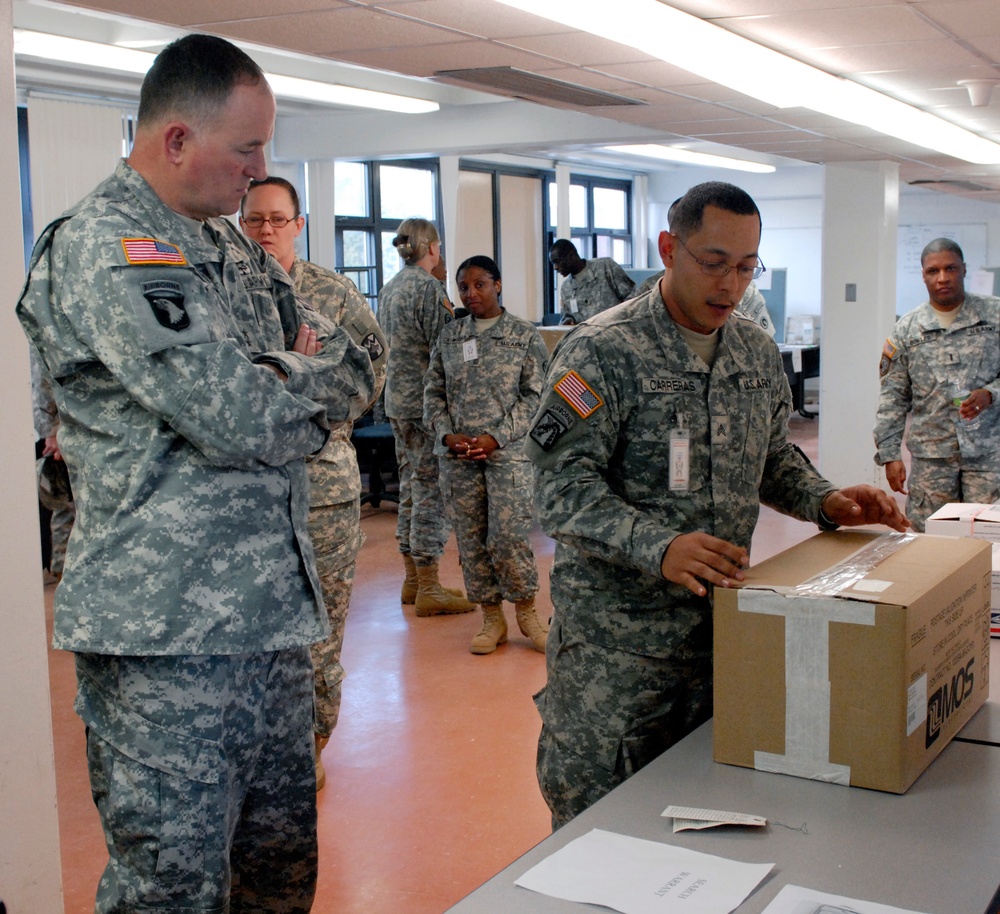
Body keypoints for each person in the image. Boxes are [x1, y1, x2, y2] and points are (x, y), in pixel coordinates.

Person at [17, 34, 379, 912]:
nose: (262, 171)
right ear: (177, 140)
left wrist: (275, 371)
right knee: (171, 893)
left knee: (281, 875)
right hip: (165, 643)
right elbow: (236, 414)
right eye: (247, 149)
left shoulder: (229, 247)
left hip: (271, 624)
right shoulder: (110, 247)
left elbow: (360, 362)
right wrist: (285, 376)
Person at [526, 181, 910, 829]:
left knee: (707, 826)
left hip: (723, 642)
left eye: (745, 267)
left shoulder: (754, 351)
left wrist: (829, 501)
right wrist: (660, 547)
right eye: (713, 262)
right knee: (599, 834)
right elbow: (557, 488)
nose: (730, 285)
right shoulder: (601, 351)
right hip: (618, 658)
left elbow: (771, 460)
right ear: (669, 249)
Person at [240, 176, 387, 791]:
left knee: (321, 624)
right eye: (254, 221)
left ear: (300, 225)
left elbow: (370, 374)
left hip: (321, 481)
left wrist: (305, 394)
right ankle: (258, 747)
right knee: (254, 628)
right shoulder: (224, 293)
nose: (266, 230)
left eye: (278, 219)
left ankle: (313, 739)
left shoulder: (333, 294)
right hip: (247, 489)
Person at [423, 255, 550, 654]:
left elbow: (536, 397)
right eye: (463, 286)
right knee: (473, 540)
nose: (470, 293)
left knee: (508, 537)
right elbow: (433, 393)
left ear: (497, 284)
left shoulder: (524, 336)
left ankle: (527, 613)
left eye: (479, 284)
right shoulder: (450, 337)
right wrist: (446, 436)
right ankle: (491, 618)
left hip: (507, 457)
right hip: (459, 459)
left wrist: (497, 436)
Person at [378, 217, 474, 616]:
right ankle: (430, 584)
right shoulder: (429, 290)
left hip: (397, 404)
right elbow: (447, 349)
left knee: (409, 488)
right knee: (431, 491)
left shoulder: (389, 289)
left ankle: (412, 580)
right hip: (425, 409)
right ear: (432, 248)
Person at [874, 237, 1000, 531]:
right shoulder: (908, 328)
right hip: (932, 458)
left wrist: (990, 394)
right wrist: (890, 455)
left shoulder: (994, 317)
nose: (942, 278)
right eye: (933, 271)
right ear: (923, 275)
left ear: (964, 270)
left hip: (989, 454)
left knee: (990, 539)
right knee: (929, 539)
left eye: (950, 268)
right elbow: (893, 397)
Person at [30, 347, 75, 584]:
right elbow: (43, 382)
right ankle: (62, 571)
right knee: (64, 501)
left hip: (77, 423)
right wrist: (51, 431)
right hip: (63, 428)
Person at [548, 238, 635, 324]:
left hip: (616, 333)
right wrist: (568, 322)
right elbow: (567, 319)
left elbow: (633, 299)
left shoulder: (604, 267)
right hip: (588, 336)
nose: (555, 267)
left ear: (571, 256)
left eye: (558, 261)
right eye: (553, 264)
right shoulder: (566, 288)